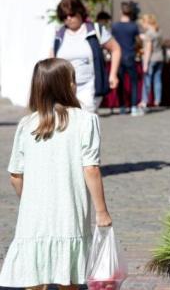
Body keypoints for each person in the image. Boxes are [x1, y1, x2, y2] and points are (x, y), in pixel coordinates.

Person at [0, 58, 112, 288]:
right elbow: (90, 168)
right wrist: (102, 212)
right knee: (69, 278)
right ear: (66, 85)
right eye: (72, 79)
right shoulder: (86, 121)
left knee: (33, 278)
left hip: (33, 218)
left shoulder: (26, 124)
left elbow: (15, 175)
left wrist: (30, 199)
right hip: (69, 215)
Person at [52, 0, 121, 113]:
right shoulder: (59, 34)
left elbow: (116, 49)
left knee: (86, 121)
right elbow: (52, 59)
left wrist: (113, 74)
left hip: (89, 87)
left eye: (72, 14)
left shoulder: (94, 30)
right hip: (64, 89)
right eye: (64, 16)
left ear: (80, 12)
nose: (69, 19)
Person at [112, 1, 143, 116]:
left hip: (118, 57)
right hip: (130, 56)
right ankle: (134, 106)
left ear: (121, 11)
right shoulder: (133, 26)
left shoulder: (115, 26)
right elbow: (139, 41)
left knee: (120, 82)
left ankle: (122, 107)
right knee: (134, 83)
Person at [140, 14, 164, 109]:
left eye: (143, 23)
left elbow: (148, 50)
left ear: (146, 22)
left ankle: (144, 101)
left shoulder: (149, 33)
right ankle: (157, 100)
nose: (142, 26)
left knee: (147, 80)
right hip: (160, 57)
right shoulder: (158, 31)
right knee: (157, 80)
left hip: (151, 59)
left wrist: (145, 63)